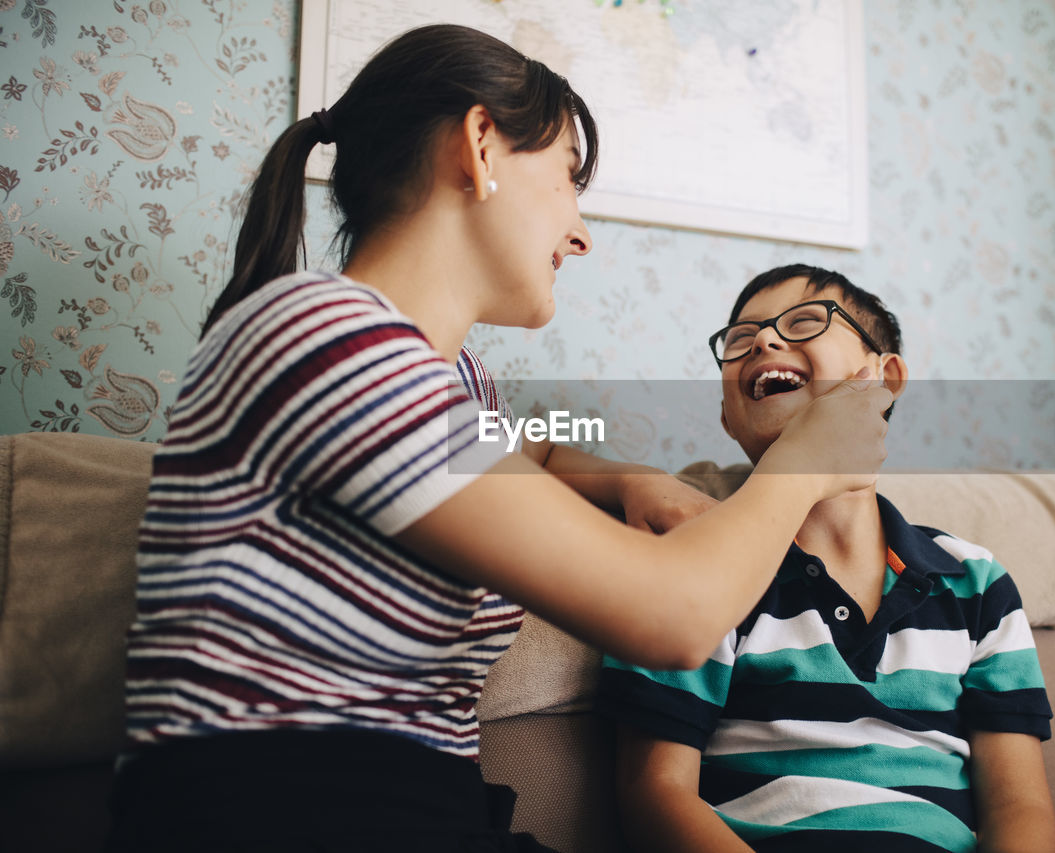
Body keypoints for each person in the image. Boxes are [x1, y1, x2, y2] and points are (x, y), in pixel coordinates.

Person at [102, 26, 895, 853]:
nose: (582, 233)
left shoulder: (448, 381)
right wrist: (805, 461)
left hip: (420, 805)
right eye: (567, 181)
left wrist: (628, 479)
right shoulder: (323, 336)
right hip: (281, 808)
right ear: (480, 146)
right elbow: (675, 615)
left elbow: (530, 454)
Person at [597, 264, 1055, 853]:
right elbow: (655, 793)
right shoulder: (694, 568)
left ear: (883, 378)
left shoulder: (976, 584)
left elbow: (1022, 807)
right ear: (726, 416)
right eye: (741, 339)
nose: (763, 340)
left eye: (805, 321)